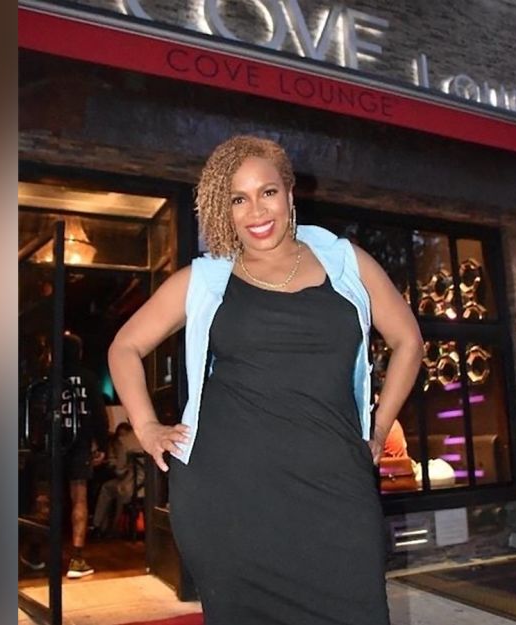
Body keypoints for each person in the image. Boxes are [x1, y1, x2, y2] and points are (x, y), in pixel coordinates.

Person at [108, 135, 423, 623]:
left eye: (267, 192)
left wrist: (379, 429)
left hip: (336, 489)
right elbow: (124, 348)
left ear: (290, 194)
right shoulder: (207, 279)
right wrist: (147, 428)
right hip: (229, 495)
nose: (256, 210)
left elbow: (409, 342)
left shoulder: (347, 263)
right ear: (226, 209)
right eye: (239, 198)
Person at [59, 332, 108, 578]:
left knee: (45, 501)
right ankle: (77, 559)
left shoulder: (48, 378)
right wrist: (102, 445)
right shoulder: (88, 378)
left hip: (53, 444)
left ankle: (36, 552)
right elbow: (99, 415)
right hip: (80, 444)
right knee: (79, 498)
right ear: (79, 353)